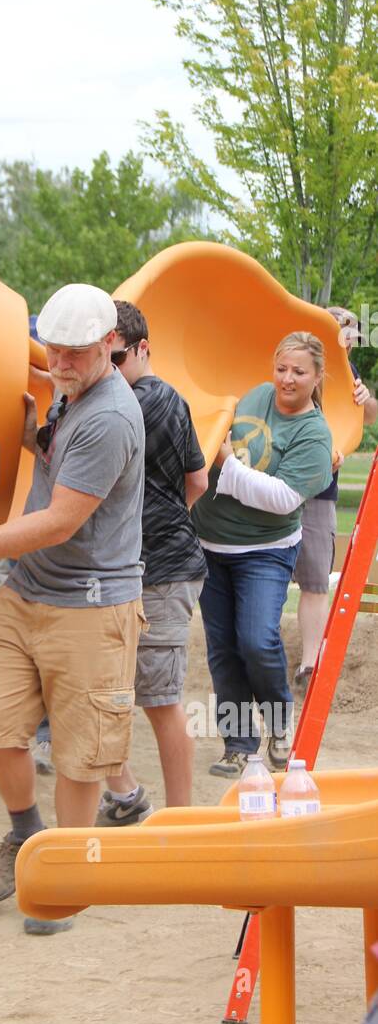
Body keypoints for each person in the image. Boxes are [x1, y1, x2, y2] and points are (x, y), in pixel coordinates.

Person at [0, 283, 147, 934]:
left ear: (109, 346)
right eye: (53, 350)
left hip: (92, 608)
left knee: (79, 756)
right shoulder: (71, 392)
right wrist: (31, 438)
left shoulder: (110, 417)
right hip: (25, 594)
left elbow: (59, 522)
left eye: (73, 354)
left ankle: (63, 873)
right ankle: (24, 836)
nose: (58, 365)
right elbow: (52, 427)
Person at [191, 333, 333, 777]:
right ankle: (237, 744)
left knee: (257, 639)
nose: (287, 379)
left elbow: (282, 498)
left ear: (317, 377)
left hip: (265, 552)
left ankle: (277, 724)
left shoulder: (315, 433)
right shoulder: (256, 395)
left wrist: (227, 464)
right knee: (223, 649)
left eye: (298, 371)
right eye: (281, 368)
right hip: (211, 546)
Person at [96, 300, 208, 821]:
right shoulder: (166, 399)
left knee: (160, 700)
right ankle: (127, 796)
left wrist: (153, 528)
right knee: (94, 689)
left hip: (161, 572)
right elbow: (197, 480)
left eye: (115, 358)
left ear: (142, 349)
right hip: (133, 570)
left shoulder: (146, 400)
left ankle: (180, 823)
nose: (107, 370)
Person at [293, 306, 377, 692]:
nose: (349, 343)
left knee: (314, 580)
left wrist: (365, 398)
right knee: (267, 575)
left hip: (321, 492)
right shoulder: (294, 365)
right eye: (345, 334)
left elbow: (371, 417)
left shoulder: (348, 373)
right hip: (280, 486)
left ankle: (309, 664)